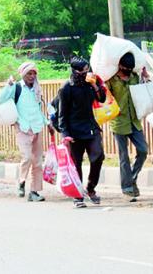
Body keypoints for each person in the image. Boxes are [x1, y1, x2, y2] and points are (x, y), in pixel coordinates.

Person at [0, 62, 54, 202]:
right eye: (29, 73)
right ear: (23, 74)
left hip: (37, 127)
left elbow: (38, 109)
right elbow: (0, 99)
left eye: (34, 73)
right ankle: (21, 181)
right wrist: (8, 85)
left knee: (37, 162)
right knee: (27, 157)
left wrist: (47, 123)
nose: (32, 76)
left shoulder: (36, 90)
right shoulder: (16, 88)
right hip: (22, 128)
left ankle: (34, 191)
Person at [58, 57, 106, 208]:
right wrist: (65, 134)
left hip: (90, 127)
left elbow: (102, 99)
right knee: (76, 164)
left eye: (87, 69)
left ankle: (90, 189)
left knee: (98, 157)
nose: (86, 72)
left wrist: (95, 85)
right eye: (83, 70)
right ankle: (78, 195)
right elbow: (62, 113)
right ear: (75, 71)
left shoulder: (91, 82)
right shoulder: (66, 87)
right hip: (74, 131)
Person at [106, 52, 149, 202]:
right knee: (124, 156)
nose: (128, 71)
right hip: (119, 122)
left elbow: (144, 91)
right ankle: (127, 188)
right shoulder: (111, 80)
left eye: (130, 68)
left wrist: (145, 76)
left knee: (143, 150)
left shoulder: (134, 77)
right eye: (126, 68)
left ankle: (132, 178)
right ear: (120, 66)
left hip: (134, 121)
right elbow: (104, 98)